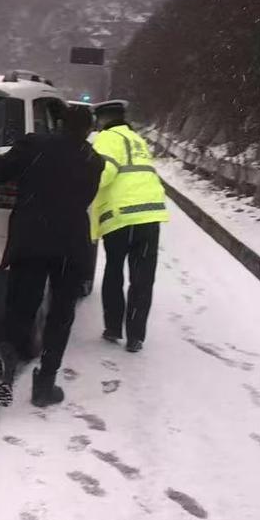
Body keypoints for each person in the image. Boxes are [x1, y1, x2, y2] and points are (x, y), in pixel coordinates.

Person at [0, 104, 104, 408]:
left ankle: (6, 357)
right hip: (70, 245)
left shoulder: (33, 144)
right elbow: (84, 198)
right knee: (60, 316)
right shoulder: (93, 161)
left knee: (21, 306)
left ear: (59, 123)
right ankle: (45, 384)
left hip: (30, 239)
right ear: (89, 130)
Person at [92, 101, 169, 353]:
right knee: (142, 278)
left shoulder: (107, 138)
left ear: (102, 120)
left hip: (121, 217)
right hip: (149, 216)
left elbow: (103, 174)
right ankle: (136, 336)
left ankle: (113, 328)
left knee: (114, 271)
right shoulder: (137, 140)